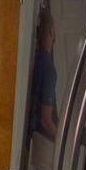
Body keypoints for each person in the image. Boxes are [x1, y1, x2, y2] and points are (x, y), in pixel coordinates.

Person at [29, 10, 58, 141]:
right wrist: (61, 141)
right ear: (51, 31)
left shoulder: (34, 58)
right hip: (34, 139)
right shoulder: (48, 68)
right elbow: (45, 120)